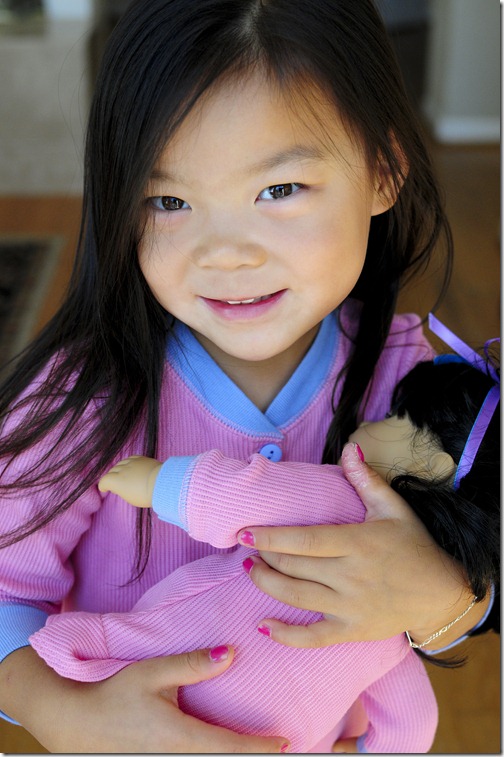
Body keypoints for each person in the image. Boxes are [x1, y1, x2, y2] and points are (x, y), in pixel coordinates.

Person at [0, 0, 495, 752]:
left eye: (279, 190)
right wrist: (63, 713)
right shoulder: (85, 398)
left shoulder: (413, 387)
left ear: (383, 169)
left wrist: (442, 598)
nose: (226, 253)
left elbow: (469, 570)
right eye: (169, 201)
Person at [28, 322, 500, 753]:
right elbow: (413, 722)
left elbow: (243, 494)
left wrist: (160, 484)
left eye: (395, 418)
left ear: (436, 466)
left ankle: (77, 654)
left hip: (160, 666)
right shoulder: (392, 638)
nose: (372, 421)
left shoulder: (341, 493)